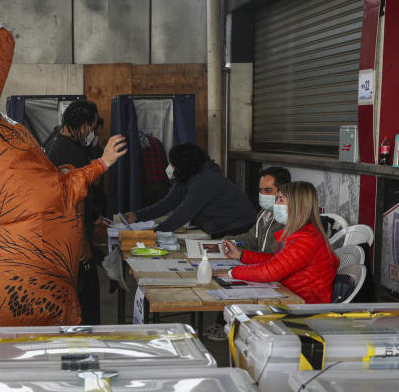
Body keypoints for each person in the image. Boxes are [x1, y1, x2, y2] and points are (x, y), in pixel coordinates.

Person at [44, 100, 117, 325]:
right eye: (93, 128)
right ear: (84, 126)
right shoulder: (67, 151)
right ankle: (85, 345)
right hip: (70, 239)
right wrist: (82, 241)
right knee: (85, 302)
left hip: (61, 235)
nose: (92, 133)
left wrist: (93, 218)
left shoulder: (54, 142)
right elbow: (74, 199)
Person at [222, 181, 339, 304]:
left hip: (304, 306)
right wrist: (241, 255)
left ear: (297, 205)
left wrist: (231, 272)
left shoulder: (307, 239)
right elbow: (277, 261)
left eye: (281, 200)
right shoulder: (300, 232)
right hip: (290, 296)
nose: (275, 204)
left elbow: (270, 272)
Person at [122, 143, 256, 238]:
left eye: (172, 163)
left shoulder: (207, 179)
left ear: (182, 164)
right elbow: (167, 204)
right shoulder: (186, 175)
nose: (170, 166)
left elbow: (184, 213)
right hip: (220, 226)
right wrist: (137, 216)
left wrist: (151, 234)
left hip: (238, 227)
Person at [231, 166, 291, 254]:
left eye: (268, 190)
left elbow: (274, 258)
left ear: (283, 191)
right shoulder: (264, 214)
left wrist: (242, 255)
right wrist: (227, 242)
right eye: (260, 190)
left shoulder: (286, 219)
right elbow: (250, 241)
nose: (262, 194)